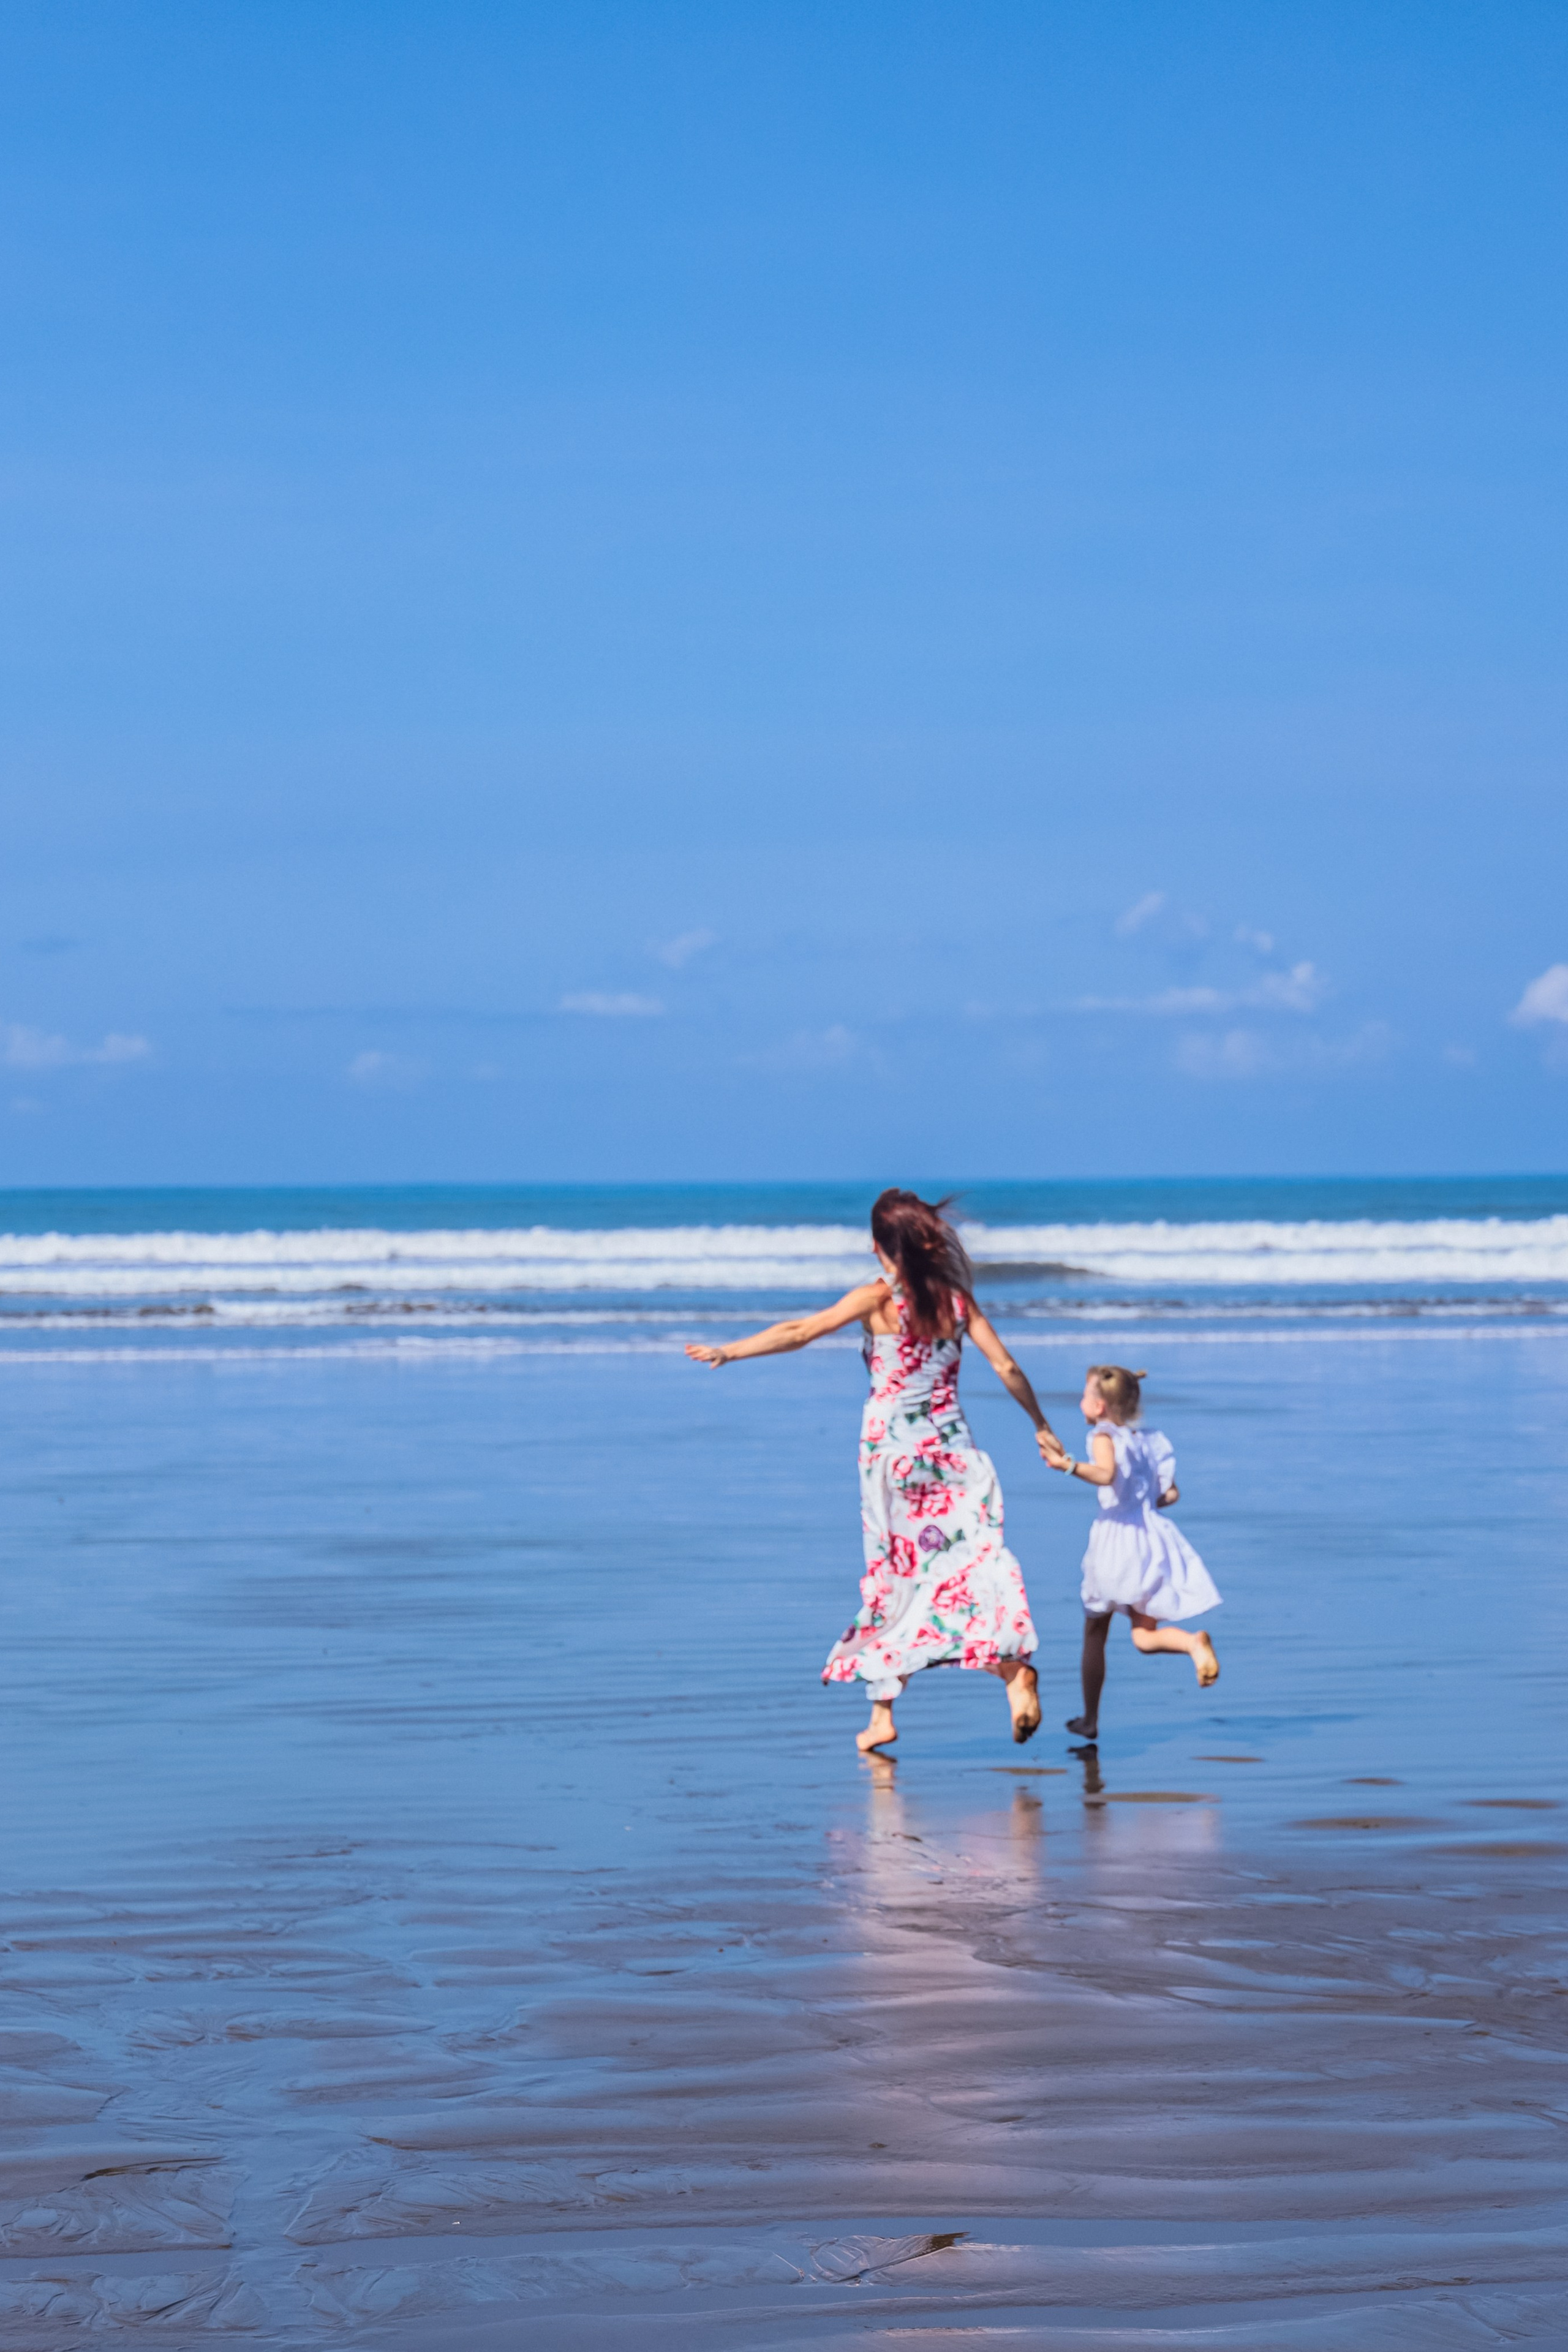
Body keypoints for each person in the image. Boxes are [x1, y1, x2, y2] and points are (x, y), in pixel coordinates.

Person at [686, 1188, 1070, 1754]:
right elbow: (1006, 1365)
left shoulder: (875, 1299)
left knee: (894, 1573)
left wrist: (731, 1351)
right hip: (953, 1453)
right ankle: (1009, 1672)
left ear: (876, 1246)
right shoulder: (957, 1303)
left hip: (890, 1460)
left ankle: (887, 1713)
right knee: (965, 1567)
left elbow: (801, 1332)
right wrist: (1039, 1422)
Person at [1049, 1364, 1220, 1743]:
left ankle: (1091, 1718)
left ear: (1100, 1406)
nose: (1080, 1401)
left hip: (1116, 1541)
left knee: (1095, 1629)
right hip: (1151, 1537)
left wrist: (1068, 1466)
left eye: (1084, 1395)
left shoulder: (1102, 1436)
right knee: (1144, 1637)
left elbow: (1106, 1475)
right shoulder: (1148, 1441)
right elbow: (1170, 1494)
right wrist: (1145, 1500)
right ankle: (1192, 1643)